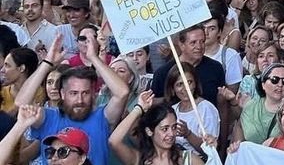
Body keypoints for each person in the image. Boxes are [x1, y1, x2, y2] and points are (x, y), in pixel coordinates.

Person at [15, 34, 130, 165]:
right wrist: (47, 62)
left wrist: (93, 57)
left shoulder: (102, 117)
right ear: (62, 94)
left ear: (93, 94)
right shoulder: (48, 117)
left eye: (85, 93)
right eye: (74, 93)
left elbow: (122, 93)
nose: (80, 100)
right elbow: (21, 102)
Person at [109, 90, 207, 165]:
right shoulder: (139, 159)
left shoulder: (189, 160)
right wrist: (139, 108)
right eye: (165, 129)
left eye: (174, 127)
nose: (171, 134)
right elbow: (114, 141)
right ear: (149, 131)